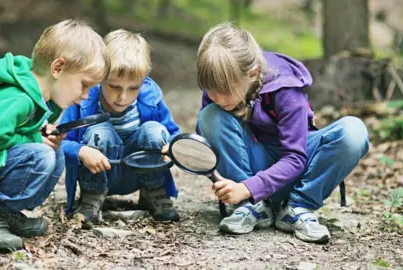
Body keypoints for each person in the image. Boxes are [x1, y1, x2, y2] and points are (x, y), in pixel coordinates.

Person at [0, 19, 110, 250]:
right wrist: (34, 139)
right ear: (58, 68)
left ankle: (3, 213)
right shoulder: (18, 97)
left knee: (54, 153)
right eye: (84, 85)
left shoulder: (34, 97)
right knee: (41, 154)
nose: (85, 95)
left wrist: (39, 133)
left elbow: (15, 133)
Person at [196, 22, 369, 243]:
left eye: (224, 92)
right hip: (250, 172)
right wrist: (184, 151)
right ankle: (251, 208)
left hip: (296, 172)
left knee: (354, 131)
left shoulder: (286, 90)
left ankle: (298, 207)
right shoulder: (218, 89)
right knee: (210, 116)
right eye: (210, 91)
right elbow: (211, 142)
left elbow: (295, 158)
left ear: (253, 73)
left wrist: (248, 188)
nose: (217, 98)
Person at [61, 29, 181, 223]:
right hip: (99, 172)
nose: (122, 97)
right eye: (114, 86)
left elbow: (174, 134)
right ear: (100, 77)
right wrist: (81, 151)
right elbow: (61, 142)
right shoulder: (84, 100)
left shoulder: (150, 98)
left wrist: (171, 148)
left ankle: (153, 192)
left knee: (154, 130)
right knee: (100, 131)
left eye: (133, 88)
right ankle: (92, 197)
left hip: (138, 173)